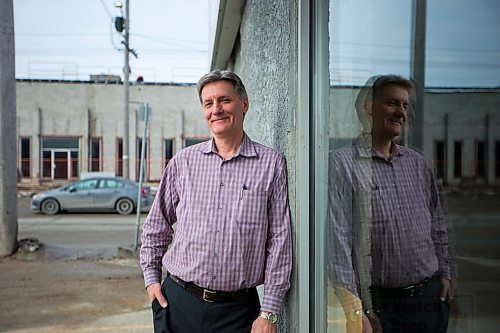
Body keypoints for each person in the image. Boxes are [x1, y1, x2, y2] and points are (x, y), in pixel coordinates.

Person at [140, 70, 292, 333]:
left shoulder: (272, 164)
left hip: (238, 312)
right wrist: (152, 281)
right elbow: (157, 225)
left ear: (244, 104)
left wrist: (270, 312)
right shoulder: (183, 162)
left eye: (224, 100)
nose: (216, 110)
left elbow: (280, 241)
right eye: (208, 103)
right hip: (178, 302)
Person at [327, 75, 455, 333]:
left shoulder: (418, 163)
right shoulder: (341, 164)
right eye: (393, 103)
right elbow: (337, 242)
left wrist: (445, 272)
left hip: (428, 300)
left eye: (406, 106)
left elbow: (437, 223)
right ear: (369, 107)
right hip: (379, 307)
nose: (401, 112)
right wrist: (355, 308)